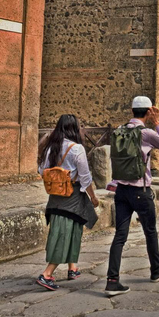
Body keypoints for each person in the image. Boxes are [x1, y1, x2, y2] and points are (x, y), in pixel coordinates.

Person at [104, 96, 159, 297]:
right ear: (149, 111)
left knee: (120, 235)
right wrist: (158, 122)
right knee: (150, 231)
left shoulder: (120, 129)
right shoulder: (147, 133)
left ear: (132, 110)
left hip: (121, 190)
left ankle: (112, 280)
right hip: (140, 191)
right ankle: (156, 270)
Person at [36, 114, 99, 291]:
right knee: (64, 233)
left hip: (55, 196)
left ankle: (73, 268)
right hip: (72, 196)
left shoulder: (51, 148)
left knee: (72, 230)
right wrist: (93, 198)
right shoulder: (76, 148)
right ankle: (47, 274)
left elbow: (42, 171)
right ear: (74, 128)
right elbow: (85, 178)